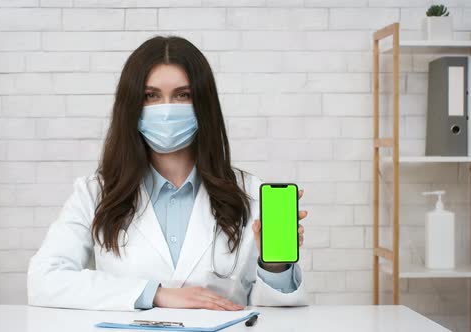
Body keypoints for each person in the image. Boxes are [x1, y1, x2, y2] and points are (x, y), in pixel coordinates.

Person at [27, 35, 309, 311]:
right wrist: (157, 294)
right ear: (132, 106)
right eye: (151, 96)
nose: (166, 110)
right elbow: (44, 280)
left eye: (183, 95)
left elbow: (277, 315)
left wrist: (275, 266)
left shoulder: (248, 193)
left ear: (203, 105)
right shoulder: (94, 193)